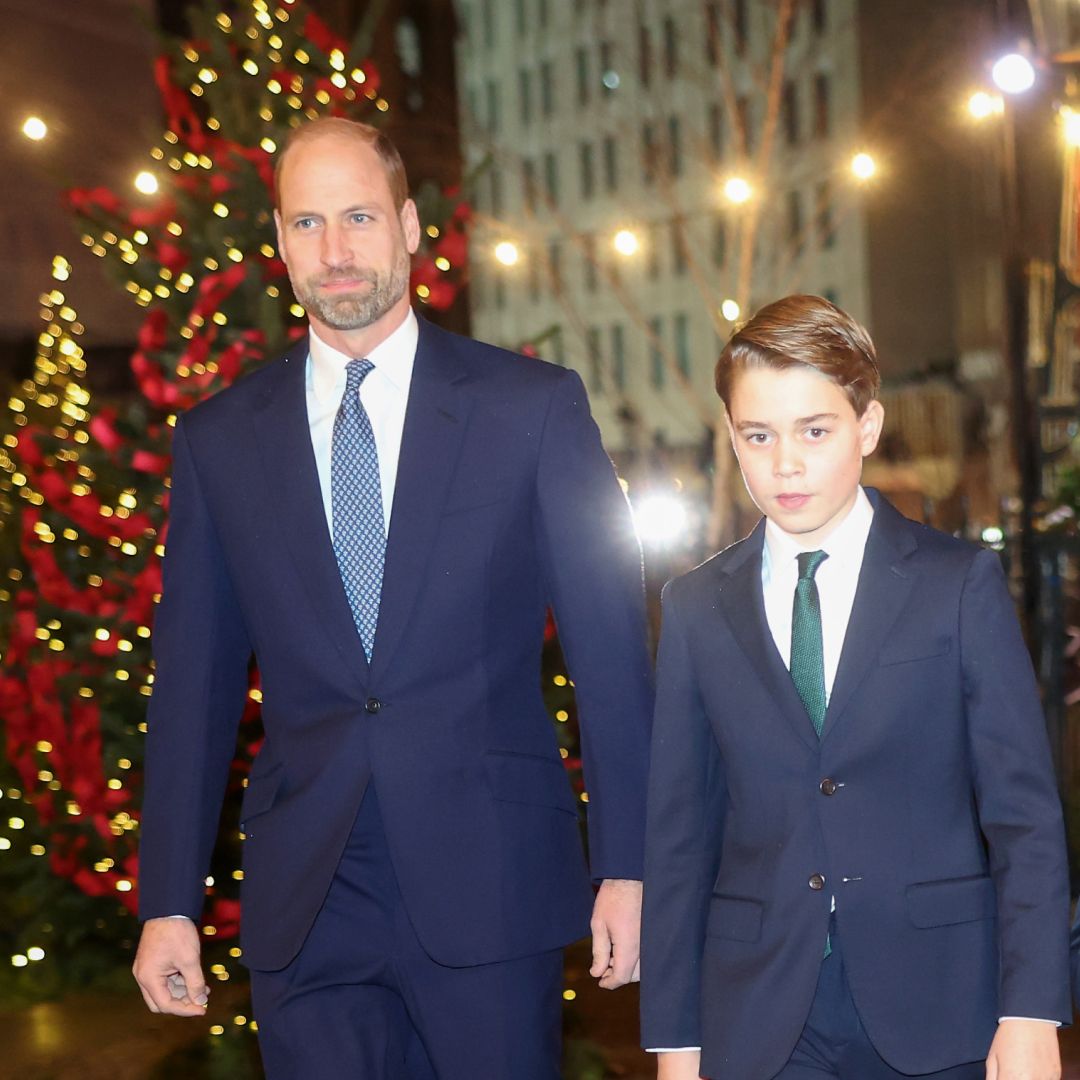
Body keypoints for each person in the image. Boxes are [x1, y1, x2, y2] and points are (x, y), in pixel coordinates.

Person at [132, 117, 653, 1079]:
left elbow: (610, 656)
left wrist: (630, 867)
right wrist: (167, 900)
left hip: (491, 878)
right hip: (309, 897)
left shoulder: (531, 409)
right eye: (307, 223)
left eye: (360, 217)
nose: (334, 251)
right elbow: (192, 688)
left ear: (411, 227)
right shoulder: (220, 441)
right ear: (280, 240)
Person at [640, 295, 1070, 1080]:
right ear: (730, 438)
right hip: (759, 1009)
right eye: (758, 436)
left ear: (866, 427)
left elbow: (1024, 816)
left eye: (815, 430)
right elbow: (679, 839)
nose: (786, 464)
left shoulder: (956, 584)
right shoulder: (698, 607)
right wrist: (675, 1039)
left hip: (938, 1000)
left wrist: (1032, 1009)